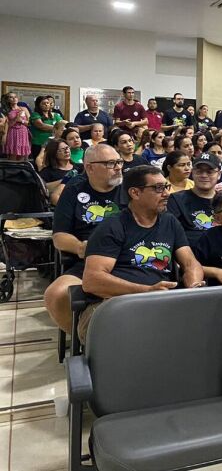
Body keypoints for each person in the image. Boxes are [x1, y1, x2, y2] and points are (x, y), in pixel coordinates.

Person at [78, 165, 205, 339]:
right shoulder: (112, 226)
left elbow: (191, 263)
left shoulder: (170, 222)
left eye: (166, 187)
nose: (167, 193)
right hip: (112, 305)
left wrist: (194, 287)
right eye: (158, 188)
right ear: (135, 193)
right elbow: (92, 281)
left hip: (161, 302)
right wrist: (146, 291)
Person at [43, 144, 124, 334]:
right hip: (90, 258)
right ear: (90, 167)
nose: (119, 167)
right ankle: (85, 339)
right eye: (111, 163)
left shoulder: (132, 189)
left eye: (119, 162)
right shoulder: (74, 190)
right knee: (55, 294)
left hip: (129, 256)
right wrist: (81, 247)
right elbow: (59, 237)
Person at [167, 153, 220, 245]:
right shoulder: (176, 200)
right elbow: (171, 235)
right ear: (192, 172)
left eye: (209, 172)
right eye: (199, 171)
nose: (204, 175)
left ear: (219, 174)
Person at [2, 93, 30, 161]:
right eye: (11, 97)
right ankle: (12, 171)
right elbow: (7, 125)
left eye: (15, 97)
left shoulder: (24, 109)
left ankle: (20, 170)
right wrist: (16, 119)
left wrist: (21, 121)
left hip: (23, 132)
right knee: (13, 155)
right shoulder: (6, 110)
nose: (14, 98)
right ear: (8, 100)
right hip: (12, 132)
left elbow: (30, 123)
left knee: (22, 154)